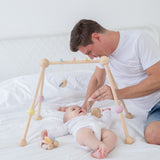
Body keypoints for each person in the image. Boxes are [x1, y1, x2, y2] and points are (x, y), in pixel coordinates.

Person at [58, 19, 160, 145]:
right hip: (153, 109)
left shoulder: (139, 40)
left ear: (96, 37)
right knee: (153, 135)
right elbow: (96, 79)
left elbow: (158, 79)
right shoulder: (104, 55)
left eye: (89, 51)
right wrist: (84, 108)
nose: (91, 57)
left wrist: (117, 93)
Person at [42, 105, 117, 159]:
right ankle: (100, 147)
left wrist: (107, 113)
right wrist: (48, 133)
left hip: (99, 129)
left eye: (80, 108)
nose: (79, 109)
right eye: (73, 109)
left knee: (111, 134)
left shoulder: (92, 117)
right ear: (68, 118)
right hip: (83, 130)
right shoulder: (70, 123)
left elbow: (106, 122)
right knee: (83, 135)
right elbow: (60, 129)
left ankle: (106, 148)